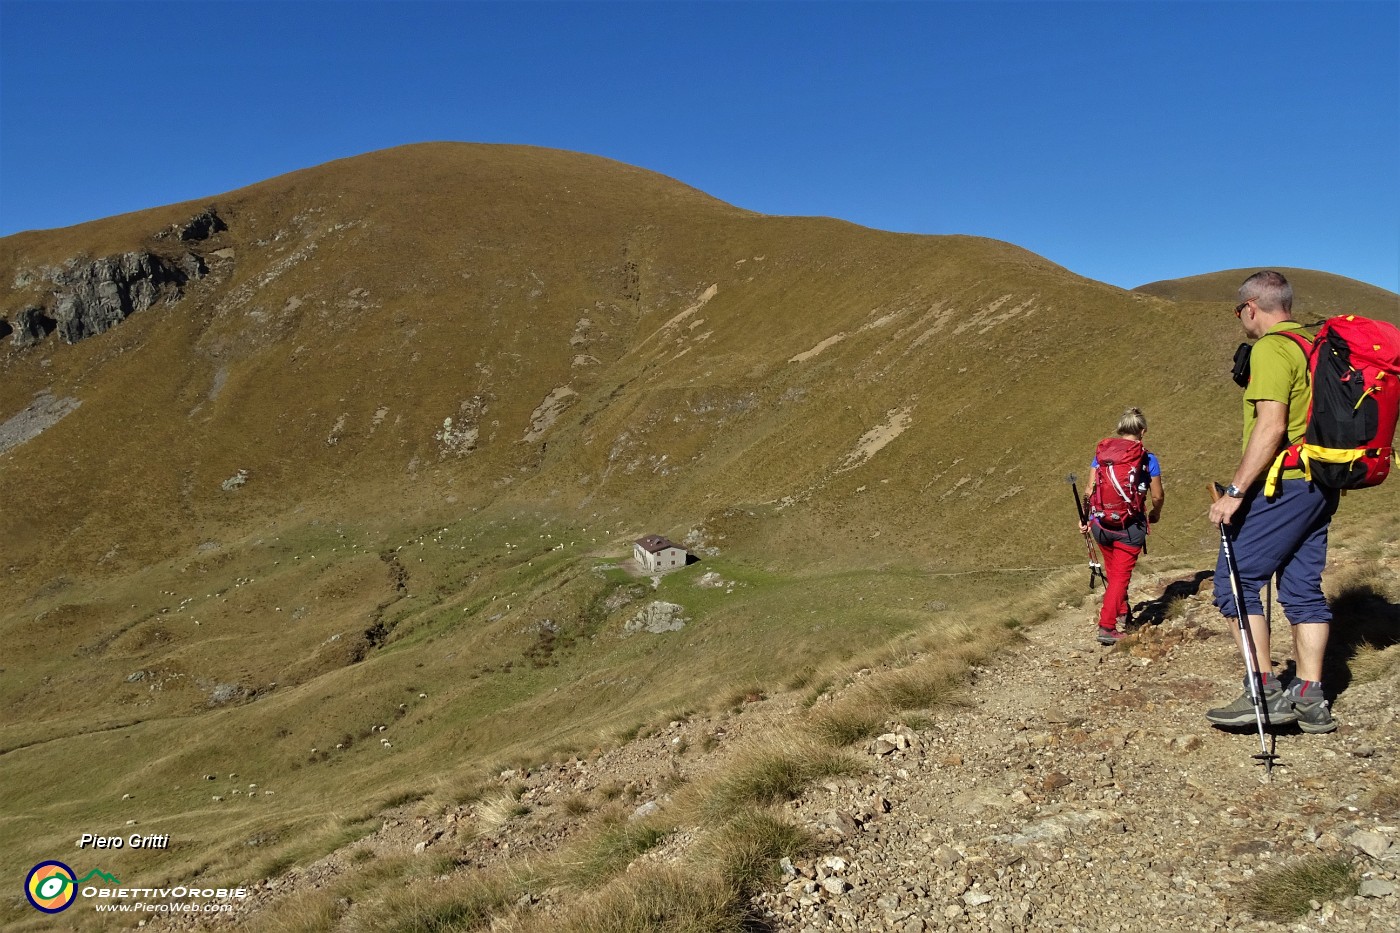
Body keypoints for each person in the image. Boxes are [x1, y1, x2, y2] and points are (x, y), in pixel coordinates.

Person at [1205, 270, 1340, 733]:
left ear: (1250, 308)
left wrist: (1235, 493)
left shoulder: (1270, 349)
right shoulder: (1314, 345)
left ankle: (1261, 691)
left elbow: (1271, 427)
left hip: (1283, 485)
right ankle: (1310, 695)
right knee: (1302, 588)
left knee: (1235, 581)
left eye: (1239, 311)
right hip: (1322, 482)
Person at [1081, 407, 1164, 645]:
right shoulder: (1148, 459)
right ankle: (1107, 627)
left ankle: (1123, 611)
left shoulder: (1102, 455)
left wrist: (1086, 518)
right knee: (1120, 578)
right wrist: (1154, 513)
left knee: (1113, 570)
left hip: (1100, 524)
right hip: (1129, 526)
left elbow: (1089, 490)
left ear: (1120, 429)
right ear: (1143, 431)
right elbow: (1157, 495)